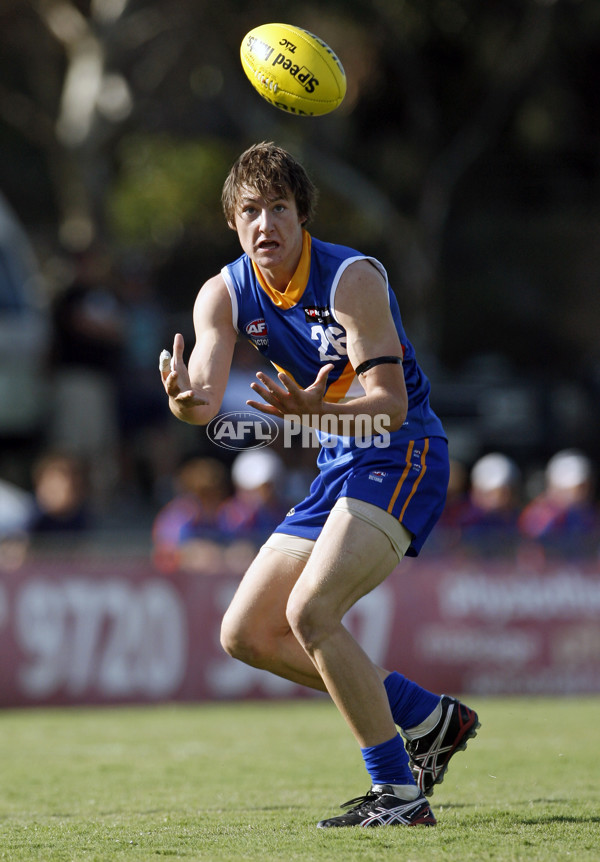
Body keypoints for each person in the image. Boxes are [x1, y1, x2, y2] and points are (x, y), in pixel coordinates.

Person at [159, 142, 479, 828]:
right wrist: (183, 398)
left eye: (279, 207)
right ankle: (424, 716)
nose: (265, 222)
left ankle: (397, 794)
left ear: (302, 215)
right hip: (338, 463)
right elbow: (206, 400)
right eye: (251, 211)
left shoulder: (350, 279)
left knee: (309, 613)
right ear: (233, 224)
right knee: (245, 634)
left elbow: (390, 403)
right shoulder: (222, 292)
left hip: (402, 455)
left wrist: (320, 413)